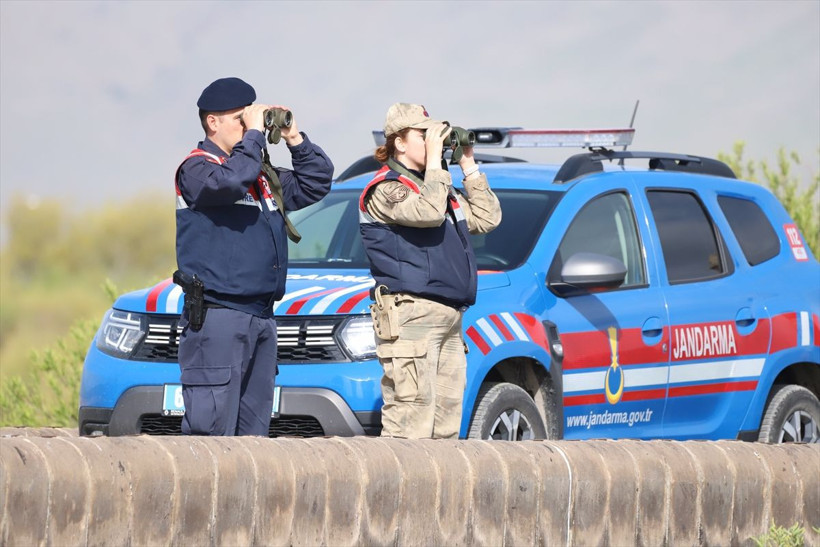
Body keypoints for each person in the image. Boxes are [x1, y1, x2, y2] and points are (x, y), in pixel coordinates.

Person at [175, 77, 334, 436]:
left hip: (260, 318)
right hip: (219, 318)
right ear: (212, 122)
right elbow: (227, 183)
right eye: (239, 119)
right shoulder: (197, 169)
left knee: (254, 440)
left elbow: (317, 182)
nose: (248, 127)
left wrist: (294, 136)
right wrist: (254, 138)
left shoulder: (259, 178)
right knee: (211, 435)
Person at [359, 103, 502, 439]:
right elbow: (428, 214)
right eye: (422, 135)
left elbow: (488, 218)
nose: (430, 141)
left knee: (446, 429)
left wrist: (467, 163)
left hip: (449, 318)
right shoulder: (386, 188)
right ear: (400, 143)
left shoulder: (441, 190)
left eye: (433, 135)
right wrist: (438, 162)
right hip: (411, 315)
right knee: (410, 423)